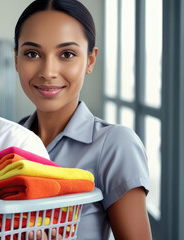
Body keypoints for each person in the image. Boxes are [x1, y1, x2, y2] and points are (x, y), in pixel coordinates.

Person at [14, 0, 151, 239]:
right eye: (32, 53)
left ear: (90, 60)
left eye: (67, 54)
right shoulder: (7, 141)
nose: (48, 71)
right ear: (16, 59)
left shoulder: (115, 145)